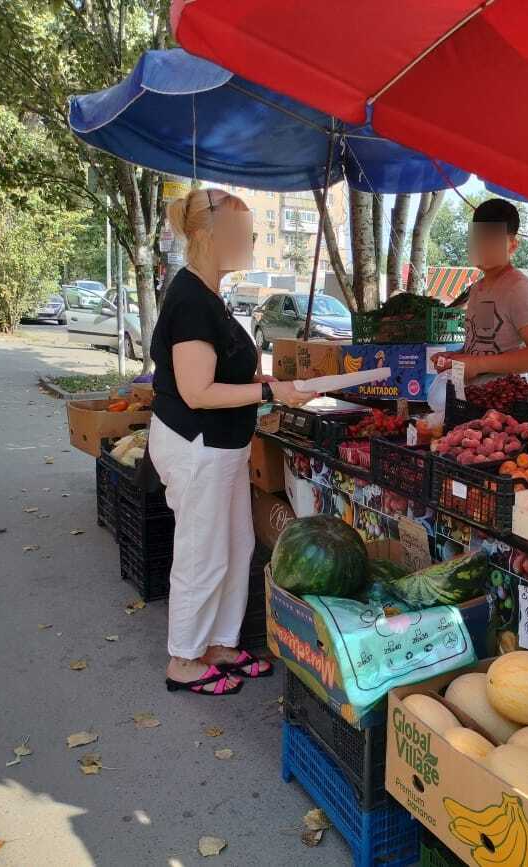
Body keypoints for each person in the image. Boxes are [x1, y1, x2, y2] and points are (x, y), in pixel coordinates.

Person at [149, 188, 315, 697]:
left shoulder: (208, 294)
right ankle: (184, 658)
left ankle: (219, 644)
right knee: (203, 553)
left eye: (252, 234)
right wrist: (269, 390)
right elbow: (197, 391)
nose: (250, 242)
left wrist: (263, 383)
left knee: (235, 546)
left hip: (222, 448)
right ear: (209, 237)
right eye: (243, 235)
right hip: (197, 445)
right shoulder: (191, 300)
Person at [434, 199, 528, 380]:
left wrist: (476, 364)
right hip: (473, 399)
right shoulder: (478, 290)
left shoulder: (518, 289)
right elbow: (484, 346)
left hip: (506, 402)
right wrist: (457, 358)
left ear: (512, 245)